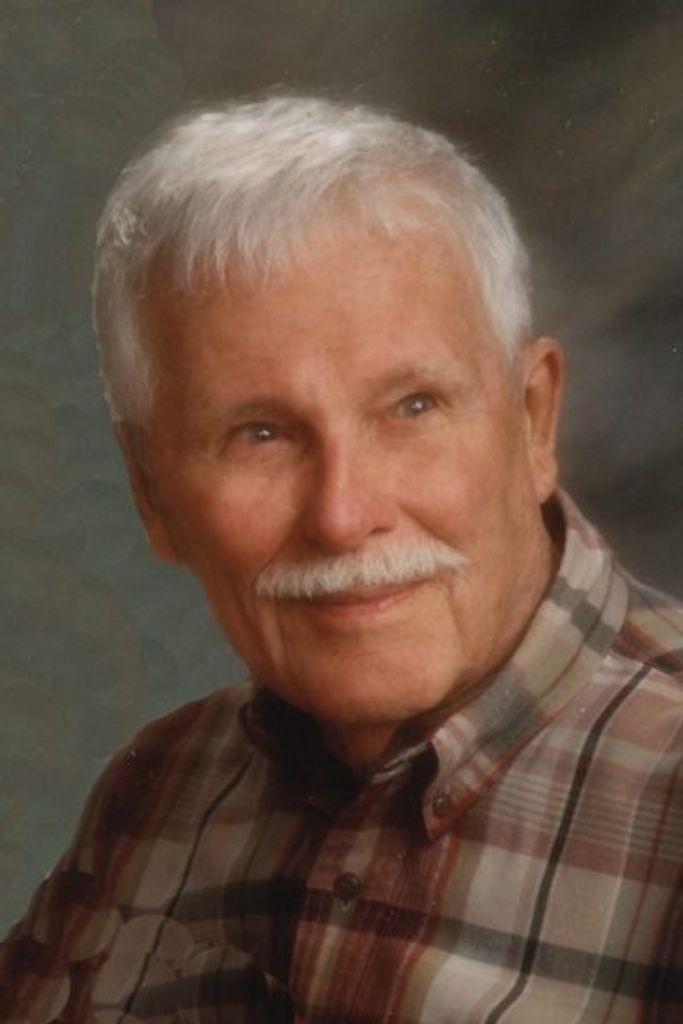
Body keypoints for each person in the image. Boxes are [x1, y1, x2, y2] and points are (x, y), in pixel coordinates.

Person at [1, 96, 681, 1024]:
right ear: (149, 492)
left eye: (411, 407)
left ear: (532, 421)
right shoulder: (155, 789)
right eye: (261, 433)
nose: (343, 514)